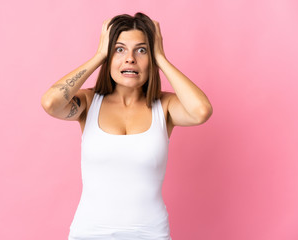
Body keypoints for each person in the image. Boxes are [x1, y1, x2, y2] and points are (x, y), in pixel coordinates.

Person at [41, 12, 212, 240]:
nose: (130, 58)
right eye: (119, 49)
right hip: (90, 233)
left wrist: (160, 57)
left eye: (141, 50)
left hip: (151, 234)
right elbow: (51, 103)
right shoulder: (89, 103)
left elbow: (201, 111)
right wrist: (100, 54)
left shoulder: (165, 106)